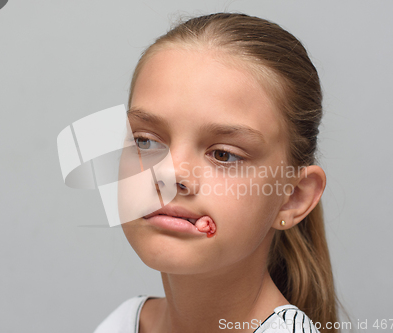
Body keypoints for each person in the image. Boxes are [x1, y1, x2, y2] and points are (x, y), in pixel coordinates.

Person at [94, 12, 341, 333]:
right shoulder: (122, 323)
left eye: (223, 154)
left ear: (292, 197)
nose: (170, 174)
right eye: (145, 141)